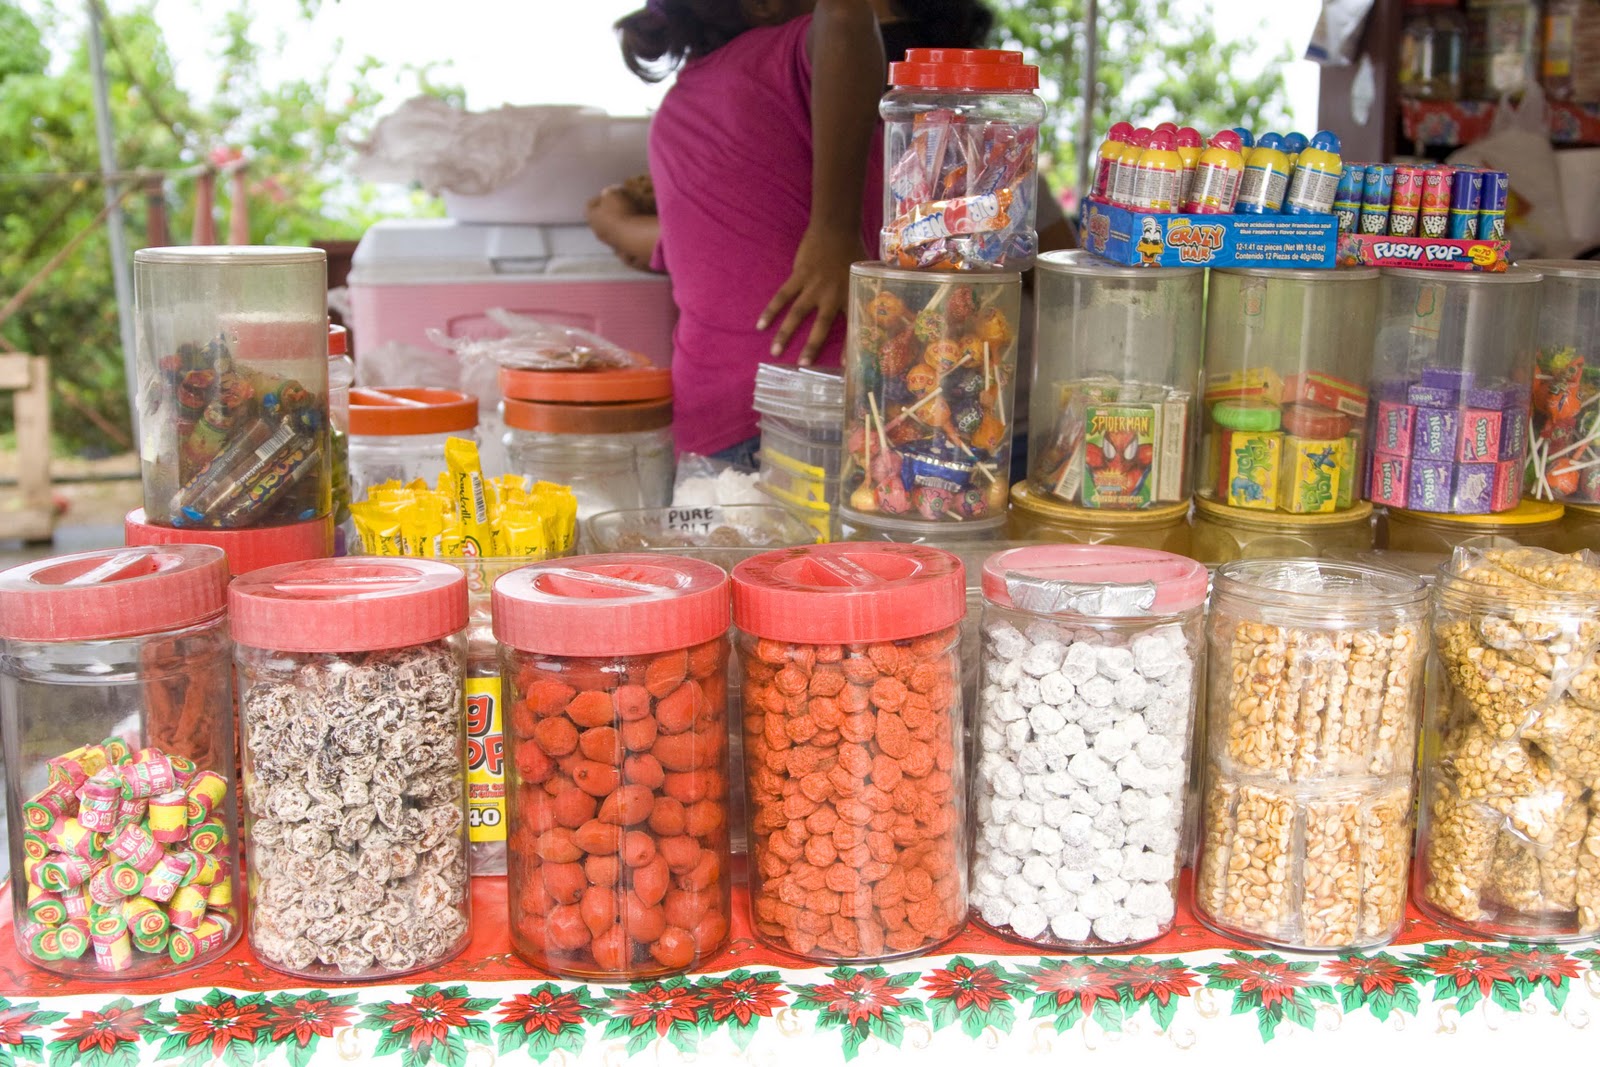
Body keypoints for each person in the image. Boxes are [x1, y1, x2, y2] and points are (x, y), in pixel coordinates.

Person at [587, 0, 885, 464]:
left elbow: (706, 244)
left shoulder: (675, 112)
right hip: (814, 412)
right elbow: (846, 15)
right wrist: (834, 230)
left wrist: (613, 223)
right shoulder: (779, 58)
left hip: (707, 429)